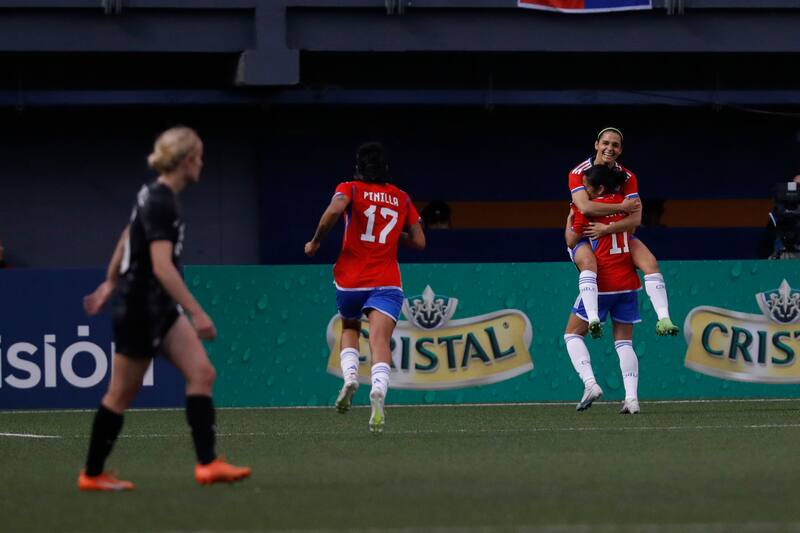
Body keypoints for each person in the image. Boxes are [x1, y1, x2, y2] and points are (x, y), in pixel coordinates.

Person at [78, 126, 251, 491]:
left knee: (202, 372)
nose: (202, 164)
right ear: (187, 161)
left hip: (158, 305)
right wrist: (197, 312)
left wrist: (110, 280)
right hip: (141, 307)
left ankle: (208, 464)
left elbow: (127, 235)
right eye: (199, 157)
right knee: (121, 394)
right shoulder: (161, 201)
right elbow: (161, 266)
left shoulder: (154, 194)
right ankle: (91, 474)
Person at [304, 141, 425, 434]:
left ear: (358, 167)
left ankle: (350, 378)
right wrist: (394, 235)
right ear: (386, 168)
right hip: (386, 281)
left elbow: (334, 211)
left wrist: (316, 240)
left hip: (351, 280)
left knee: (350, 327)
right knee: (380, 340)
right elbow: (420, 241)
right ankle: (379, 390)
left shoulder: (350, 188)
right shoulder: (401, 197)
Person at [567, 127, 678, 339]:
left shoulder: (628, 176)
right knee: (588, 265)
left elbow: (635, 220)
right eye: (605, 143)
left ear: (620, 150)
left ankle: (664, 318)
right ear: (596, 145)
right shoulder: (577, 173)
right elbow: (585, 208)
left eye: (615, 145)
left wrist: (607, 228)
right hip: (587, 233)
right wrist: (620, 207)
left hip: (615, 233)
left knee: (651, 263)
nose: (609, 148)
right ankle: (593, 318)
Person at [565, 164, 643, 414]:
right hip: (628, 283)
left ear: (599, 188)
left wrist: (570, 219)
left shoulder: (588, 208)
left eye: (587, 187)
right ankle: (632, 399)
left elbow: (571, 240)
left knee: (572, 335)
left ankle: (590, 383)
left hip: (601, 284)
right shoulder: (625, 205)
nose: (584, 192)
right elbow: (634, 226)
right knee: (625, 343)